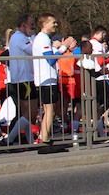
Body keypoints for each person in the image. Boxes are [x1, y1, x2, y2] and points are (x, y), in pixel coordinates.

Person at [31, 14, 76, 145]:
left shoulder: (44, 38)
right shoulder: (43, 39)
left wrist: (56, 48)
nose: (56, 25)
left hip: (46, 78)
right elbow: (50, 60)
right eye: (53, 22)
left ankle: (43, 136)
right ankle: (44, 139)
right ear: (44, 24)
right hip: (47, 79)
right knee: (50, 110)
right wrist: (63, 47)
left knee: (49, 110)